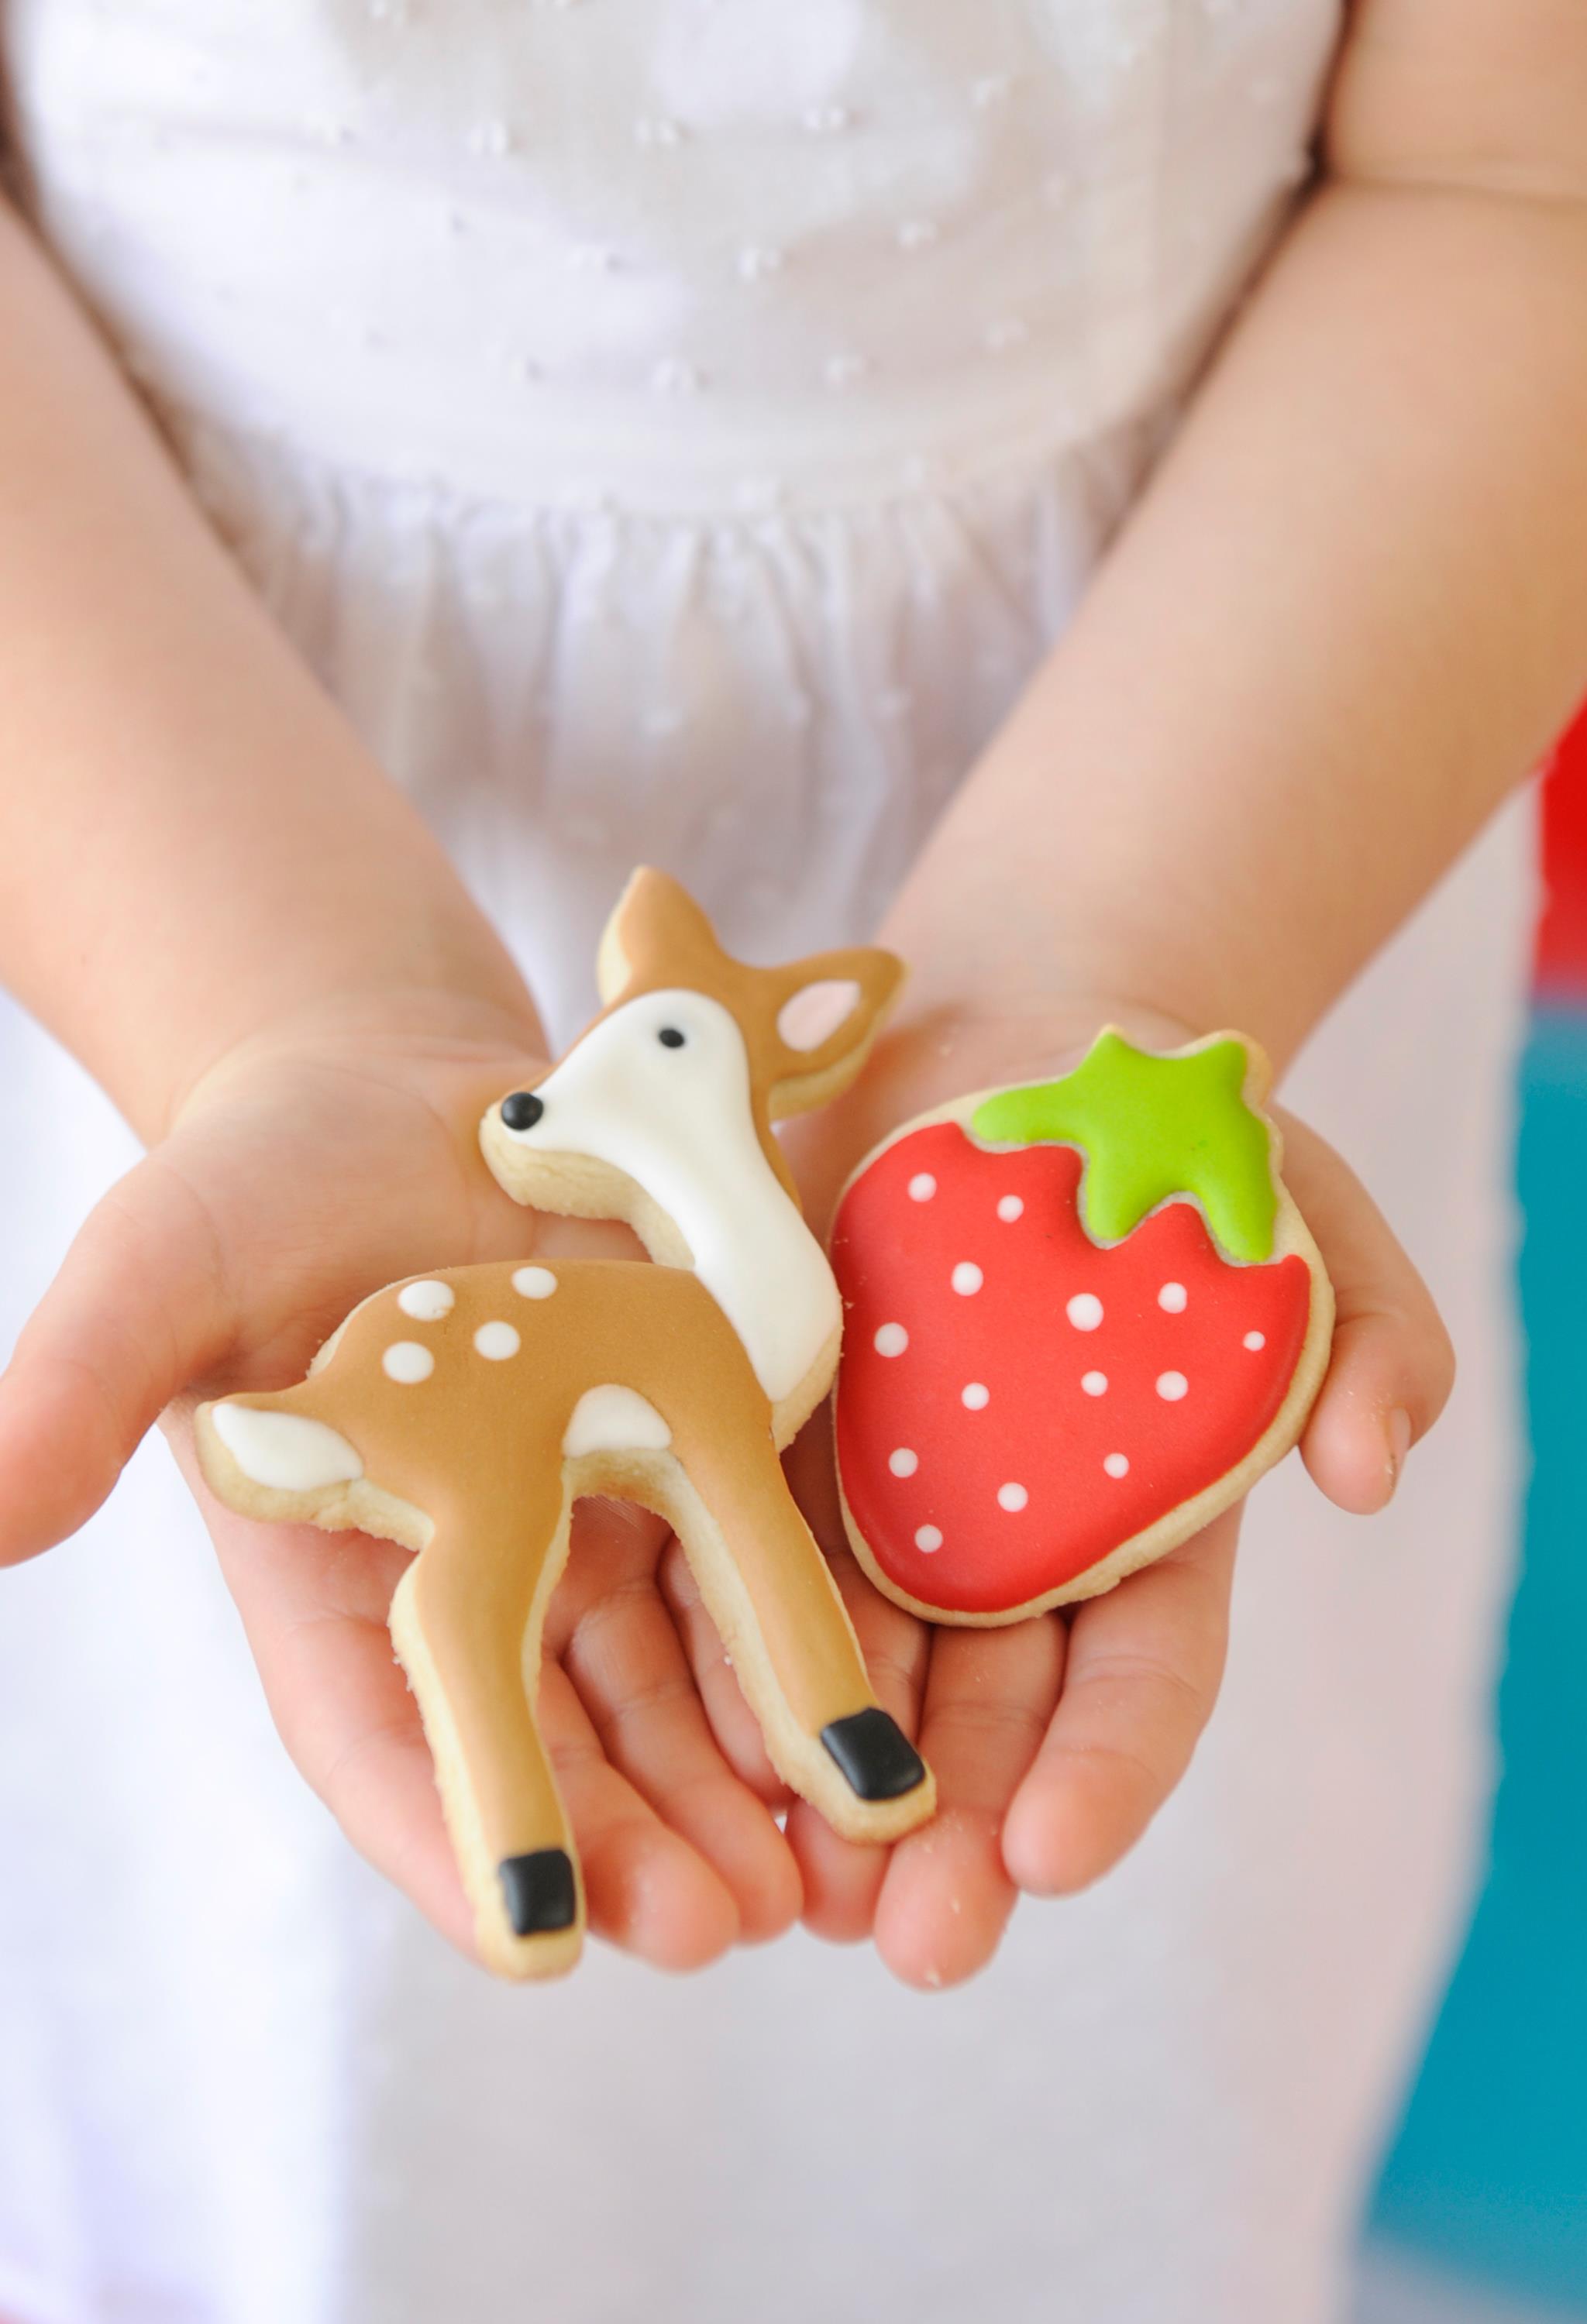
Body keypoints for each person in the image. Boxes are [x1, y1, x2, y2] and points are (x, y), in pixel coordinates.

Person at [0, 1, 1578, 2316]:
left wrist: (1111, 944)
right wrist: (293, 1009)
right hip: (144, 842)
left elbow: (1523, 177)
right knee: (271, 2010)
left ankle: (856, 1747)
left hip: (1228, 789)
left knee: (1125, 2028)